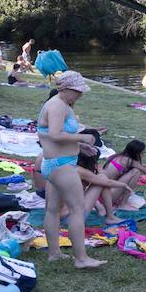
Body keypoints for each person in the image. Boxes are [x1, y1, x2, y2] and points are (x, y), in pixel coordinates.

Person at [37, 71, 105, 268]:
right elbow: (55, 134)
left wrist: (80, 147)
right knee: (77, 208)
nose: (79, 96)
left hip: (55, 163)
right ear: (66, 89)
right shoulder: (57, 105)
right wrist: (82, 138)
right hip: (61, 165)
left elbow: (54, 137)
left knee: (52, 210)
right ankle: (81, 258)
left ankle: (54, 253)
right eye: (77, 92)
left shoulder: (60, 104)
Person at [102, 140, 146, 208]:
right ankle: (123, 204)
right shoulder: (129, 161)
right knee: (136, 171)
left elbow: (142, 166)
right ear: (136, 153)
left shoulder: (120, 157)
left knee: (136, 170)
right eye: (142, 153)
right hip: (108, 197)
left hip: (102, 195)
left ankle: (120, 200)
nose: (143, 155)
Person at [75, 151, 134, 225]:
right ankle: (110, 217)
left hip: (62, 215)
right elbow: (108, 182)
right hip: (73, 217)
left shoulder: (66, 166)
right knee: (102, 178)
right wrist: (124, 185)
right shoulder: (81, 171)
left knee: (100, 179)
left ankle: (101, 209)